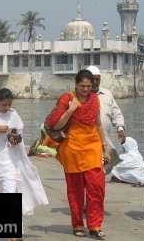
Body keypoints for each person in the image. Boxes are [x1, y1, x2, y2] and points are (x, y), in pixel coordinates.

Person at [0, 88, 48, 239]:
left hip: (8, 160)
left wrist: (15, 139)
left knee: (11, 194)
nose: (6, 108)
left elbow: (19, 137)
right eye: (4, 105)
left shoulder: (13, 115)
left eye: (9, 105)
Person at [45, 69, 110, 239]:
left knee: (97, 188)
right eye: (82, 86)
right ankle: (78, 224)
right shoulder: (67, 99)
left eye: (89, 86)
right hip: (72, 148)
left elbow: (98, 125)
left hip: (93, 147)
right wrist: (71, 109)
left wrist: (105, 146)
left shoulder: (95, 100)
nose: (86, 89)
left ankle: (95, 226)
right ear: (76, 84)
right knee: (75, 191)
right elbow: (57, 126)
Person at [86, 65, 126, 152]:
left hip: (105, 142)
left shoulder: (107, 94)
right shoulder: (81, 96)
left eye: (98, 79)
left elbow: (116, 113)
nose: (95, 82)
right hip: (87, 143)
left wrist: (120, 128)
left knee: (110, 162)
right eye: (93, 80)